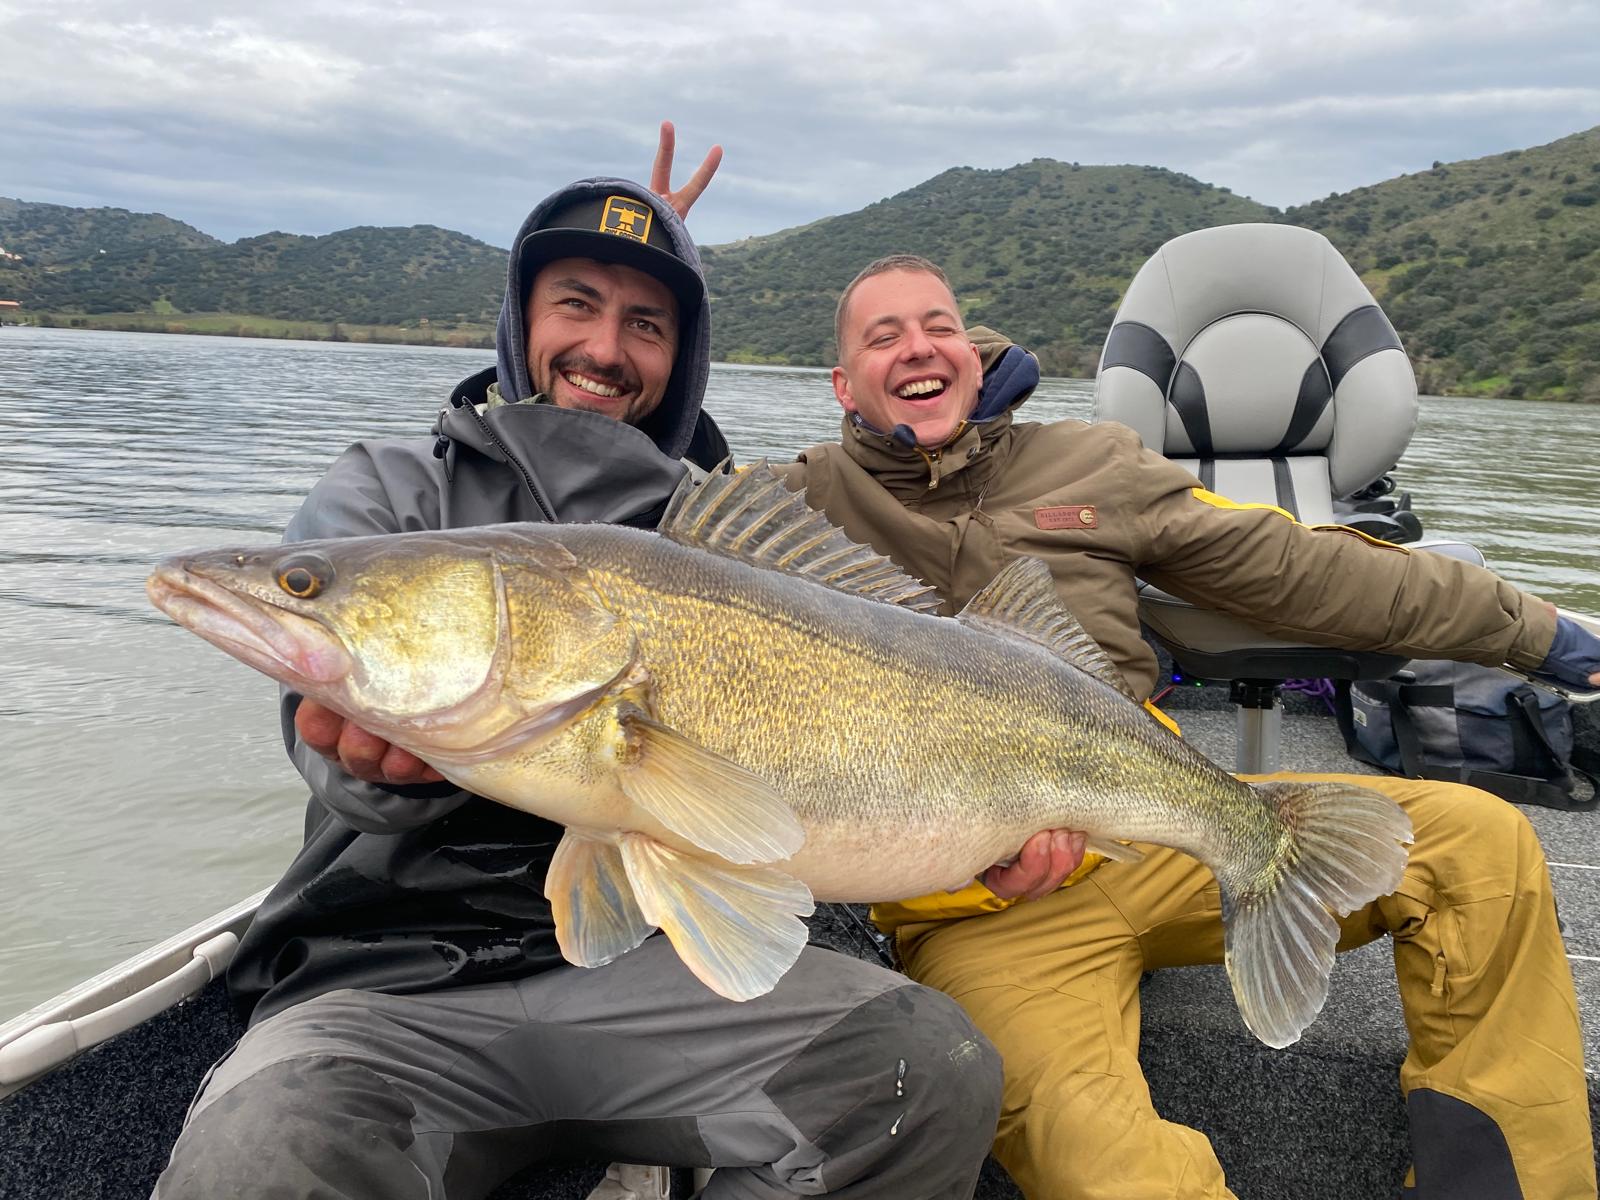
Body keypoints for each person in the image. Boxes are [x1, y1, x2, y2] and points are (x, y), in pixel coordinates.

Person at [152, 144, 1005, 1200]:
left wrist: (992, 823)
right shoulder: (389, 491)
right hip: (383, 983)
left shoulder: (724, 547)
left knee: (929, 1072)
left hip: (661, 977)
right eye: (576, 303)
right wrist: (377, 768)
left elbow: (801, 787)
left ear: (683, 358)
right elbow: (324, 741)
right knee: (256, 1160)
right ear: (519, 319)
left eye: (648, 323)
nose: (604, 348)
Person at [783, 253, 1600, 1200]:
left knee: (1484, 845)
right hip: (978, 912)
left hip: (1158, 826)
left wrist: (1546, 637)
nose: (917, 348)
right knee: (1107, 1168)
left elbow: (1308, 569)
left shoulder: (1095, 463)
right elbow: (634, 531)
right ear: (842, 384)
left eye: (937, 326)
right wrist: (660, 269)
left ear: (971, 352)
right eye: (883, 337)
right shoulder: (793, 502)